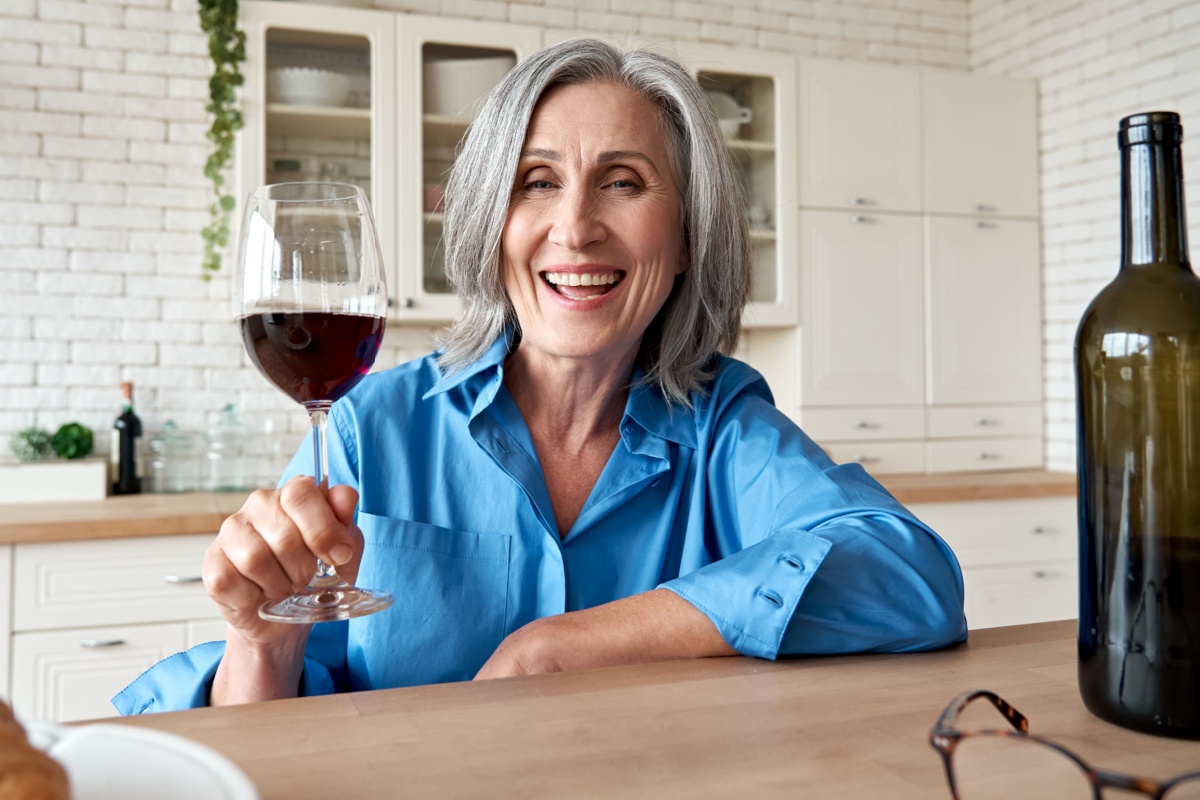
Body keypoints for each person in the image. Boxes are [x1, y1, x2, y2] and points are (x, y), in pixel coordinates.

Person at [114, 38, 966, 715]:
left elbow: (912, 577)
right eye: (538, 183)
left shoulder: (723, 425)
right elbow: (268, 740)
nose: (576, 226)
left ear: (685, 241)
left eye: (624, 183)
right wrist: (261, 642)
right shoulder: (375, 427)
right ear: (493, 226)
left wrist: (566, 645)